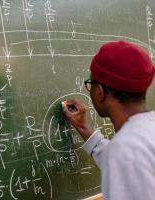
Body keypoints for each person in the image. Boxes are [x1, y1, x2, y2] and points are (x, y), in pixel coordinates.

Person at [62, 41, 155, 200]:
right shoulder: (146, 132)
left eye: (90, 83)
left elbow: (123, 158)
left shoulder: (125, 149)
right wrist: (83, 128)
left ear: (100, 92)